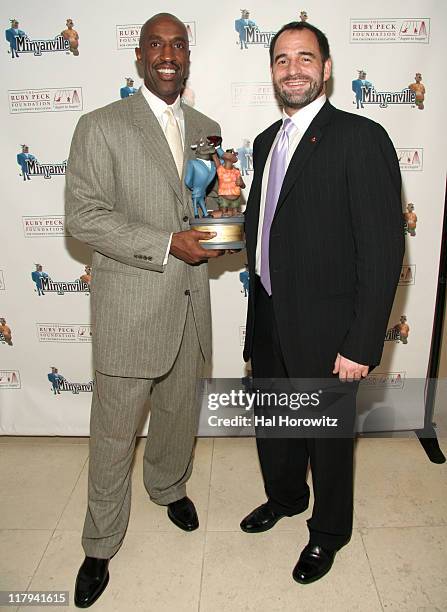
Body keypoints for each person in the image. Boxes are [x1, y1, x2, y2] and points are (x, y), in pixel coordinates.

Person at [65, 13, 221, 608]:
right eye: (156, 44)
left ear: (188, 55)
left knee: (179, 414)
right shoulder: (101, 126)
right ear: (139, 56)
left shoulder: (206, 128)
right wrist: (164, 243)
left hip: (191, 305)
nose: (168, 54)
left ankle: (168, 486)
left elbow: (208, 203)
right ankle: (99, 544)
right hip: (130, 309)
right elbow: (83, 216)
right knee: (112, 434)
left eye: (178, 44)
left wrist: (220, 230)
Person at [241, 21, 404, 585]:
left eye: (305, 59)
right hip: (268, 319)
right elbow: (270, 230)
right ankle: (285, 498)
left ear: (326, 68)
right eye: (282, 60)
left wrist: (362, 341)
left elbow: (383, 252)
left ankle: (329, 531)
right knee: (276, 430)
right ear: (272, 72)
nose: (293, 70)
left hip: (330, 330)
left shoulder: (361, 138)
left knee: (328, 442)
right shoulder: (266, 142)